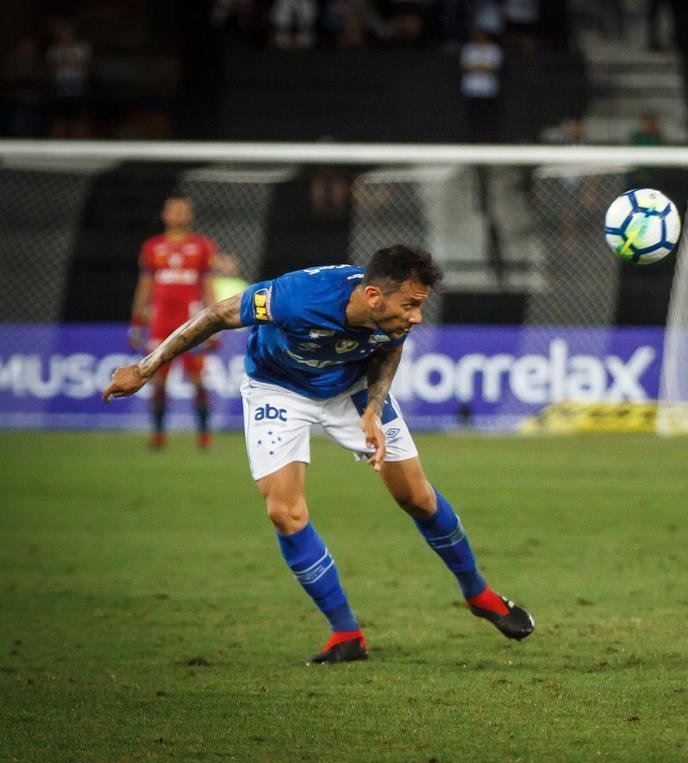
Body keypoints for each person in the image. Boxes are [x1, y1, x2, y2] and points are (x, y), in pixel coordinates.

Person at [104, 245, 534, 664]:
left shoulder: (393, 317)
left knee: (417, 498)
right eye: (410, 305)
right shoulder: (296, 297)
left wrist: (373, 407)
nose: (417, 317)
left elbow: (390, 344)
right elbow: (218, 315)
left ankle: (478, 593)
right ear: (372, 295)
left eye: (420, 306)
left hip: (350, 389)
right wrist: (145, 368)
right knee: (284, 512)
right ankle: (346, 633)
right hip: (278, 387)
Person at [129, 195, 219, 450]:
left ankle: (204, 435)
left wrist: (214, 323)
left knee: (198, 379)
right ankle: (158, 435)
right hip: (160, 323)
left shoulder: (202, 246)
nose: (178, 214)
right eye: (174, 210)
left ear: (190, 215)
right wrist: (137, 322)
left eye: (183, 210)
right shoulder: (152, 247)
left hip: (191, 323)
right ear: (164, 214)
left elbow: (208, 286)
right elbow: (145, 286)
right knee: (157, 380)